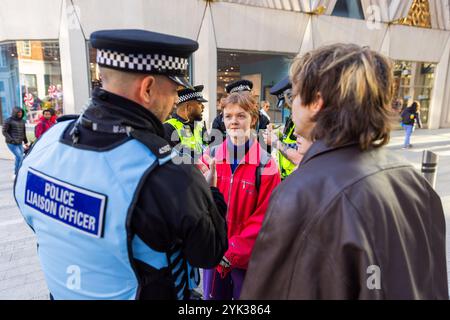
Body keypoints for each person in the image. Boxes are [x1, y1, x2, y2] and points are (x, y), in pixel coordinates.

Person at [14, 29, 228, 300]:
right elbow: (208, 253)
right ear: (147, 88)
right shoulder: (169, 173)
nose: (175, 100)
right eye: (174, 90)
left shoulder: (45, 144)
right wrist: (212, 195)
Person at [241, 43, 448, 300]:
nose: (290, 106)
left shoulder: (301, 194)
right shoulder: (414, 181)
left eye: (292, 96)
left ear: (316, 101)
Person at [200, 90, 281, 300]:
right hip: (215, 255)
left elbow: (266, 218)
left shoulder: (266, 164)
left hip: (247, 260)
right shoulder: (210, 156)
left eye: (241, 115)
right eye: (228, 116)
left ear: (253, 119)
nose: (233, 121)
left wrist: (233, 251)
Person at [263, 76, 302, 180]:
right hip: (288, 177)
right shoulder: (293, 117)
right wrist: (278, 130)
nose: (286, 108)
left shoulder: (304, 121)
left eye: (287, 105)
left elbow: (301, 158)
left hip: (296, 177)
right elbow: (289, 137)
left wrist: (275, 142)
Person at [164, 85, 208, 159]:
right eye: (199, 103)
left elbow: (207, 150)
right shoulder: (168, 128)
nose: (203, 107)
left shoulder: (200, 127)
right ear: (188, 107)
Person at [2, 106, 29, 177]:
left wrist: (26, 142)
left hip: (19, 143)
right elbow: (4, 131)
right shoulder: (8, 120)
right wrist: (11, 140)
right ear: (15, 112)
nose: (20, 113)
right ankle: (17, 174)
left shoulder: (23, 121)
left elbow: (23, 132)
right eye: (18, 112)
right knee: (20, 157)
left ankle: (16, 172)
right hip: (11, 143)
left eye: (21, 112)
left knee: (18, 158)